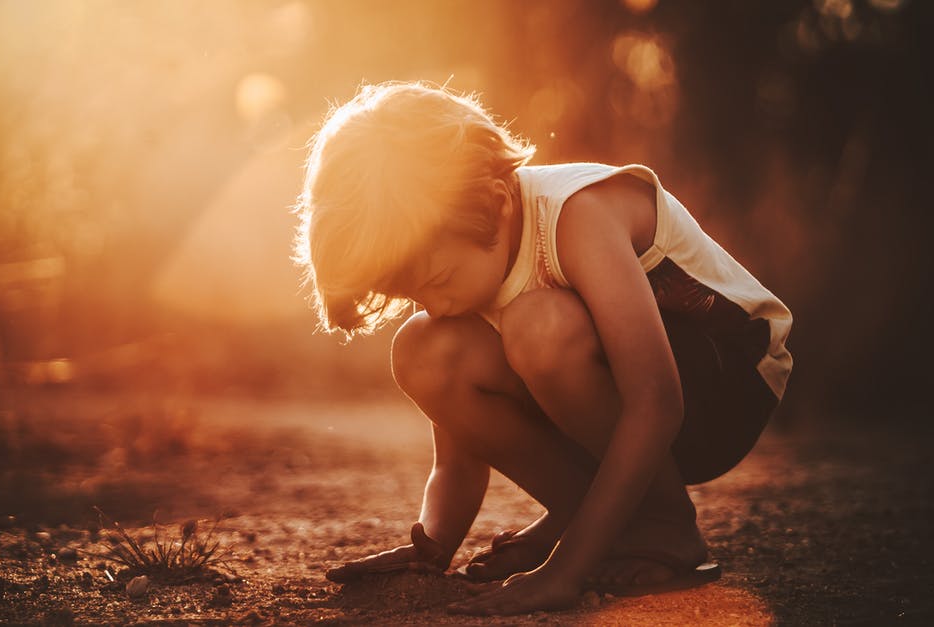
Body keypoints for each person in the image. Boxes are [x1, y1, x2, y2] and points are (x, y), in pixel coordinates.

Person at [290, 80, 793, 616]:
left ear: (499, 203)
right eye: (411, 292)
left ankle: (667, 530)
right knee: (423, 349)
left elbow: (657, 403)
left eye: (436, 279)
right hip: (630, 413)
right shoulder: (470, 268)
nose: (432, 304)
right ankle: (602, 521)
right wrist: (431, 545)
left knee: (539, 324)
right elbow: (459, 459)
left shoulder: (578, 216)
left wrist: (564, 570)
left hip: (725, 386)